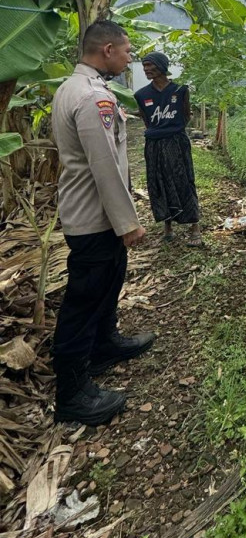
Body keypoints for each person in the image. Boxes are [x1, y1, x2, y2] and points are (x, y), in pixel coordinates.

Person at [51, 21, 154, 426]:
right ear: (107, 49)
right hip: (95, 217)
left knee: (108, 283)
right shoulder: (93, 97)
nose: (131, 58)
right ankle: (72, 391)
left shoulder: (71, 88)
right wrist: (127, 222)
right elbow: (104, 166)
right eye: (127, 51)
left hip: (94, 215)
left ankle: (105, 343)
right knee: (84, 299)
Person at [134, 52, 202, 246]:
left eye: (150, 65)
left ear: (162, 66)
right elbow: (147, 122)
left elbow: (186, 114)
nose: (146, 69)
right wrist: (160, 131)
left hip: (177, 142)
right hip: (154, 145)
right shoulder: (141, 95)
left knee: (184, 180)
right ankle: (167, 228)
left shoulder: (180, 90)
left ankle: (194, 227)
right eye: (144, 66)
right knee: (158, 183)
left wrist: (172, 129)